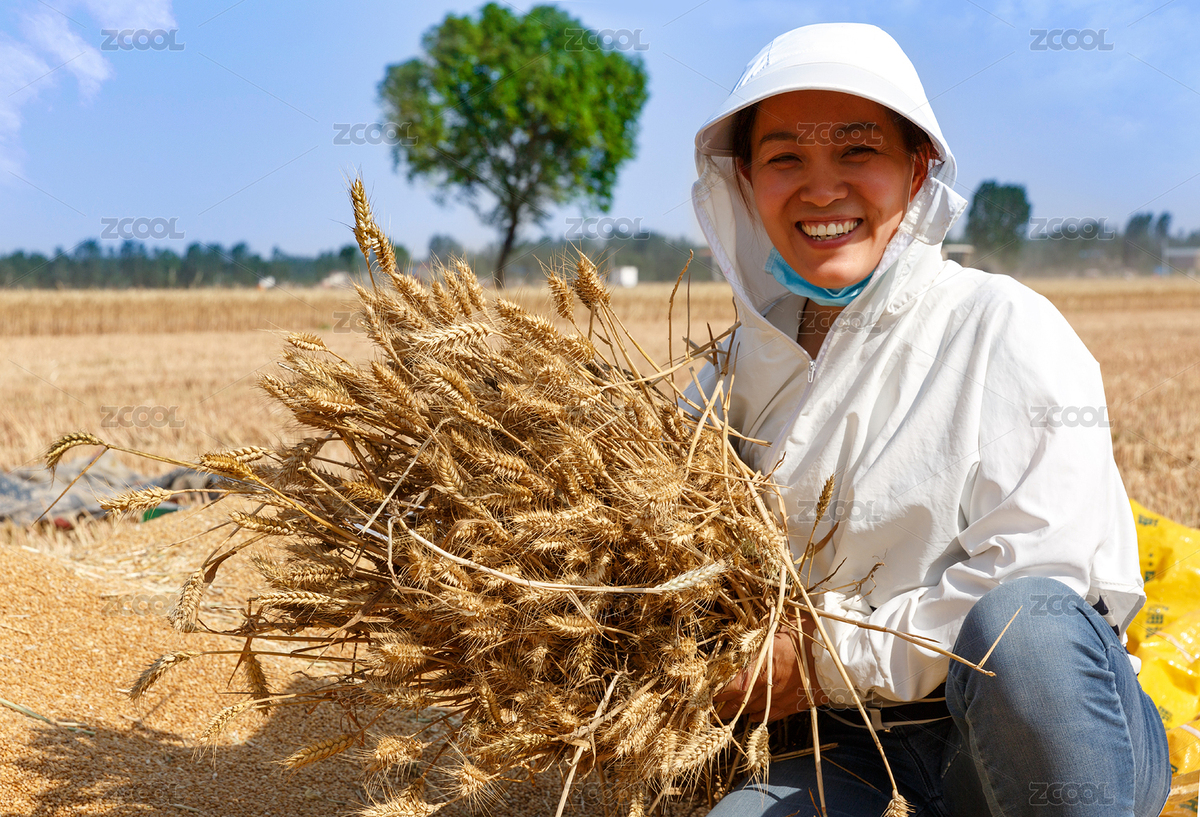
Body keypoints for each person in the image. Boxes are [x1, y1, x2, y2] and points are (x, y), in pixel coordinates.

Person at [685, 22, 1172, 817]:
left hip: (1030, 729)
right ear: (744, 179)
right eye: (785, 158)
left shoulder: (1001, 324)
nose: (821, 188)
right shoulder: (724, 378)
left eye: (857, 152)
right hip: (839, 744)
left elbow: (1032, 593)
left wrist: (813, 658)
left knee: (1031, 624)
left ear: (916, 171)